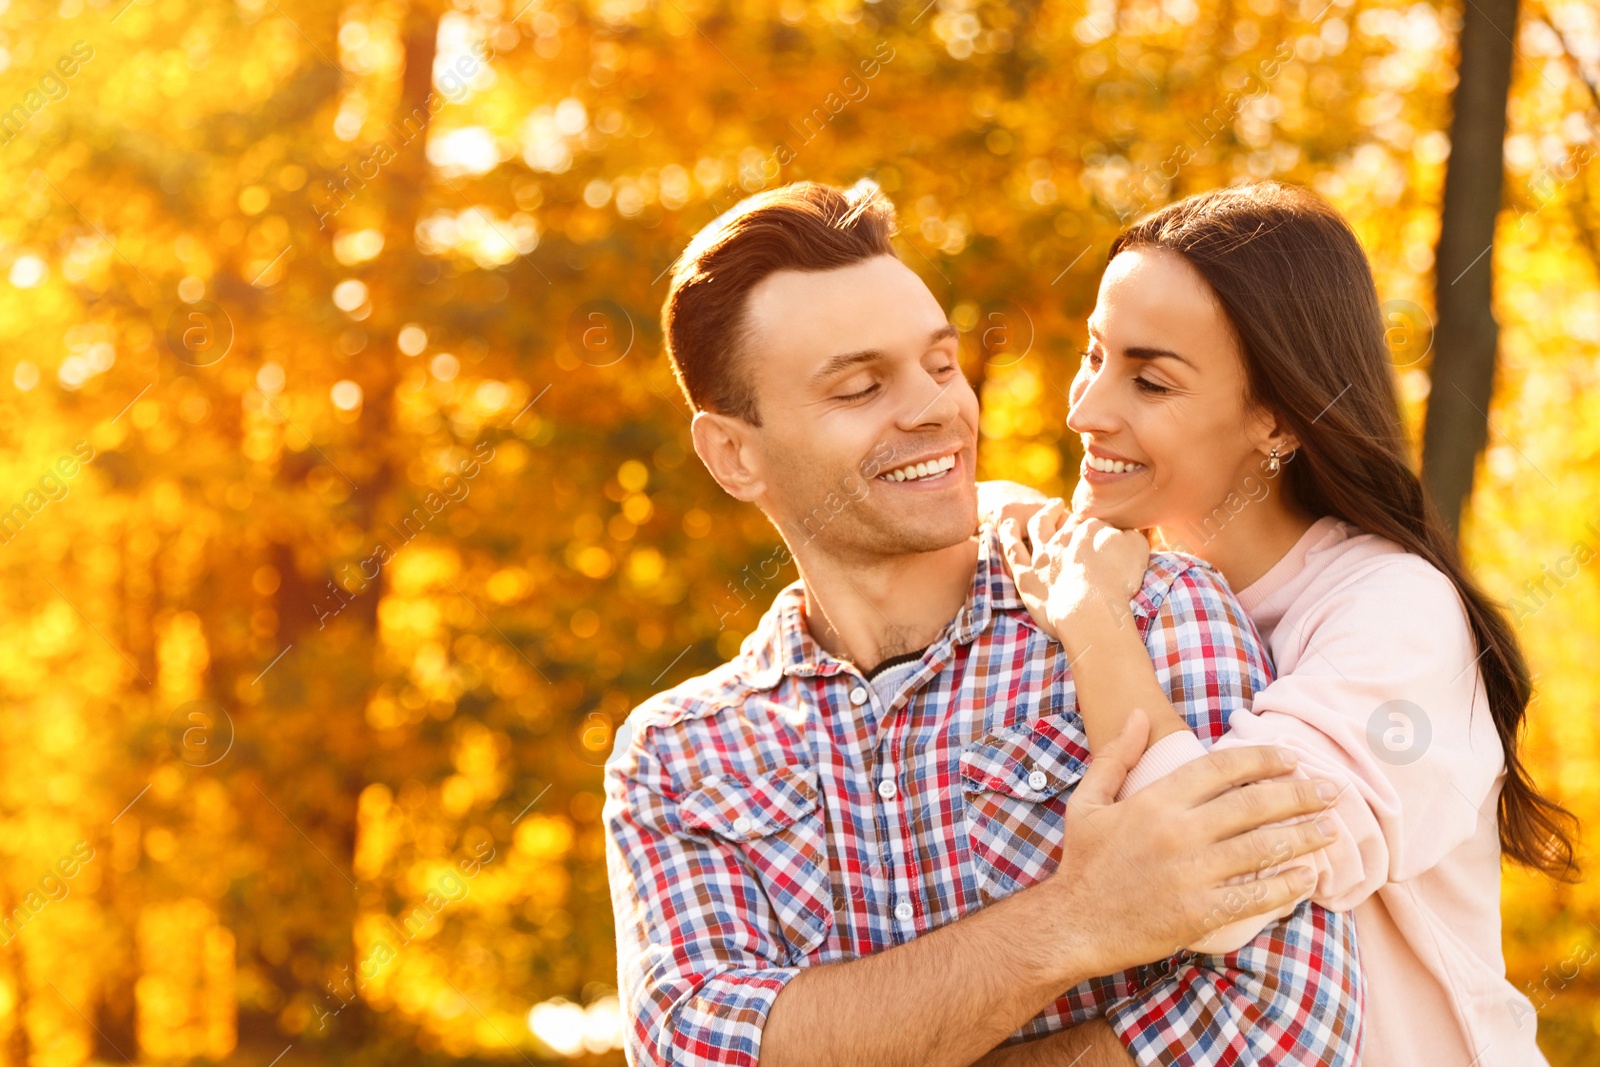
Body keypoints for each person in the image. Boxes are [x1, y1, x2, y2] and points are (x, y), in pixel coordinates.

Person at [603, 179, 1361, 1067]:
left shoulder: (1151, 614)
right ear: (734, 452)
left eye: (938, 363)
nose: (933, 408)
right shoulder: (680, 755)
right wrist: (1077, 920)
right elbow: (701, 1045)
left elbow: (1281, 1023)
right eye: (859, 386)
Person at [993, 181, 1578, 1067]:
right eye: (1092, 355)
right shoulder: (1113, 572)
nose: (1086, 409)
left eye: (1148, 379)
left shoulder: (1395, 614)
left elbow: (1229, 883)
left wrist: (1095, 623)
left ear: (1275, 416)